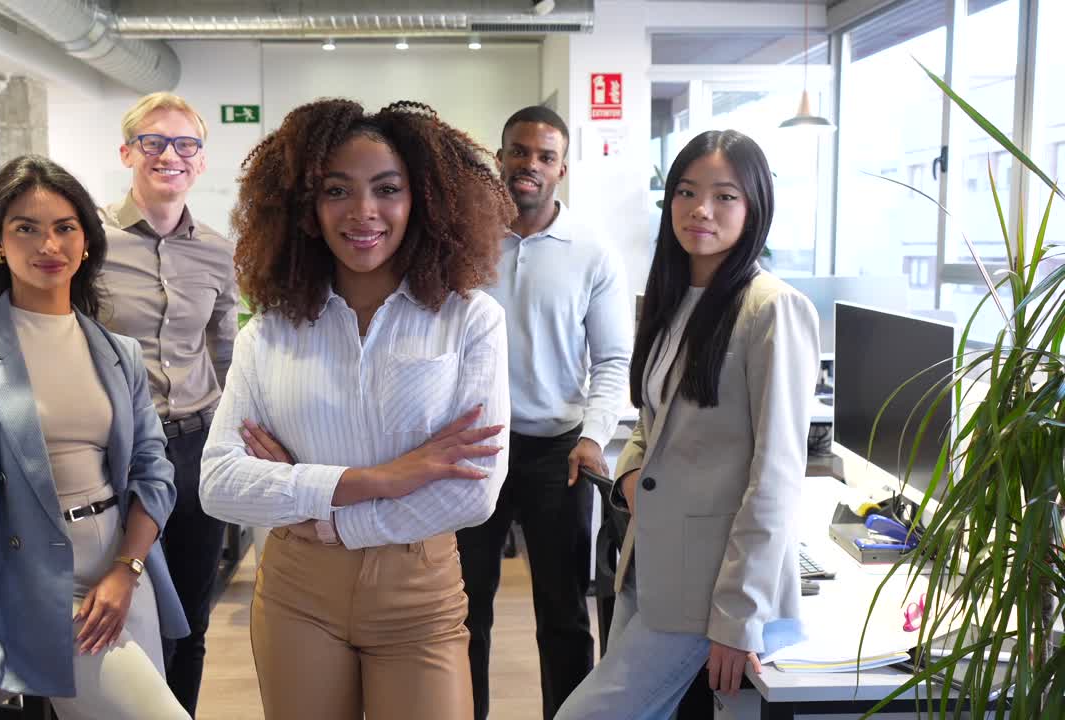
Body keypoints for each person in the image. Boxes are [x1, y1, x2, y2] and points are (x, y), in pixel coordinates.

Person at [199, 99, 514, 720]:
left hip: (418, 591)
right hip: (295, 592)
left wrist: (330, 514)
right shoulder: (271, 331)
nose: (363, 212)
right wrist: (382, 479)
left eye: (387, 189)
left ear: (421, 200)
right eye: (336, 190)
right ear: (307, 210)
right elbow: (218, 483)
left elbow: (474, 492)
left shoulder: (469, 319)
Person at [0, 155, 189, 720]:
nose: (48, 244)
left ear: (85, 242)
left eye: (64, 227)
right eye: (25, 228)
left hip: (124, 569)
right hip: (39, 582)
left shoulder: (116, 352)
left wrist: (126, 569)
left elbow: (154, 471)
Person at [556, 130, 818, 720]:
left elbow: (775, 474)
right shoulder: (669, 299)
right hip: (647, 562)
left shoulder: (771, 309)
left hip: (710, 586)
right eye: (686, 191)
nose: (701, 209)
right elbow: (650, 424)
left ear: (754, 209)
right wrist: (628, 480)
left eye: (725, 196)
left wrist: (738, 615)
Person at [457, 105, 632, 720]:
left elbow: (612, 360)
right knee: (463, 614)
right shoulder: (466, 242)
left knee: (562, 616)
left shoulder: (591, 251)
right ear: (500, 158)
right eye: (519, 152)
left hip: (560, 454)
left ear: (562, 168)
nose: (530, 165)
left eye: (545, 156)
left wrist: (595, 437)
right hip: (473, 449)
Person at [96, 91, 239, 716]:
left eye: (186, 144)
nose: (170, 155)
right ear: (128, 152)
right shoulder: (88, 241)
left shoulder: (216, 249)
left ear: (201, 162)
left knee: (192, 615)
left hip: (200, 448)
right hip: (119, 454)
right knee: (123, 611)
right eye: (153, 141)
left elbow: (226, 348)